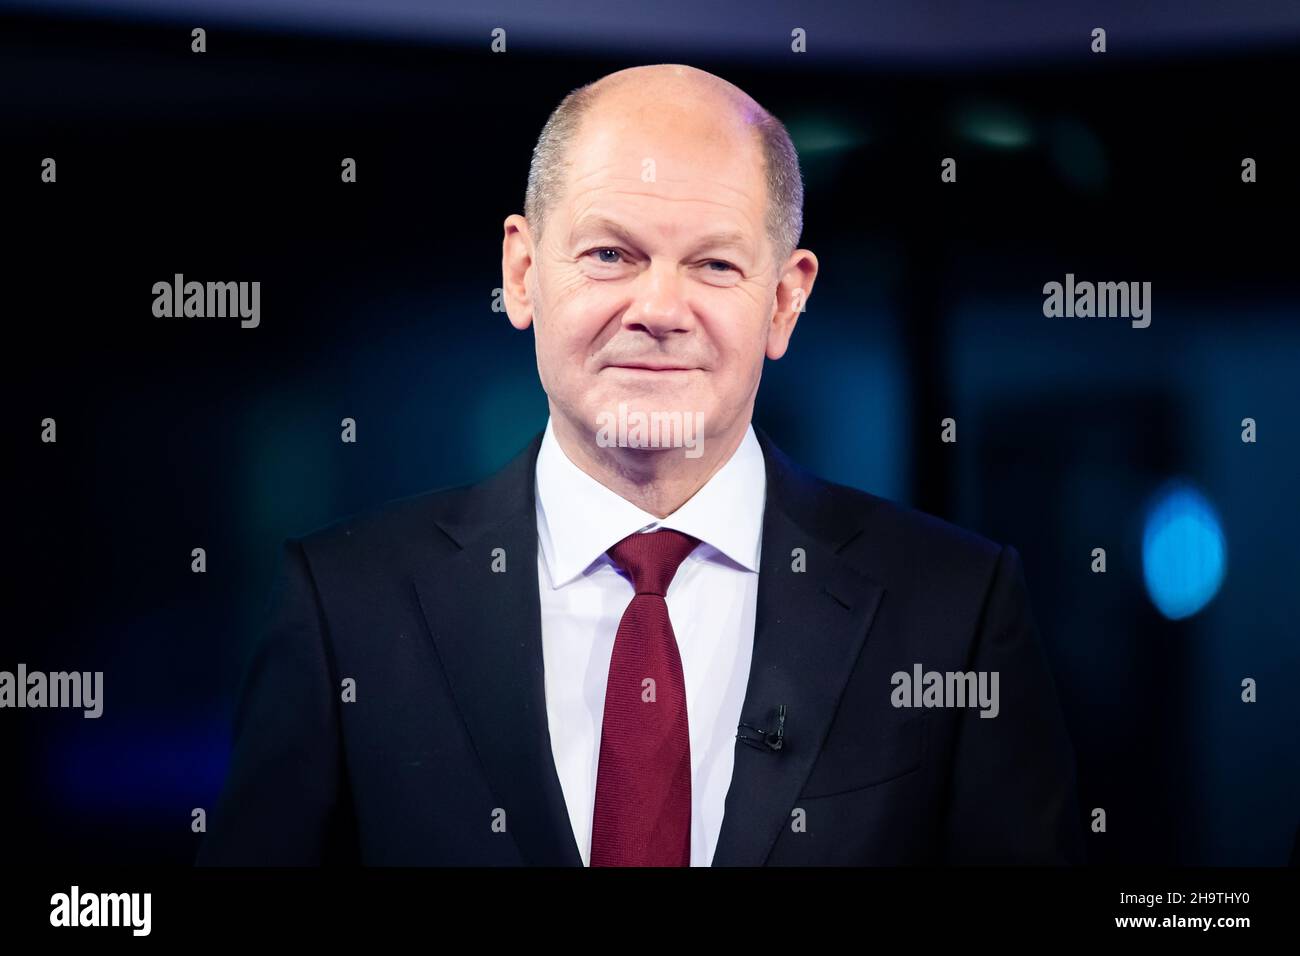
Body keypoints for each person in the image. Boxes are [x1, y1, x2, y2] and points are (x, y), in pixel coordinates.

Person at [196, 63, 1083, 866]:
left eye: (714, 263)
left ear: (784, 300)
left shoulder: (955, 607)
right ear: (521, 270)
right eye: (611, 254)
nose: (659, 308)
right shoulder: (344, 606)